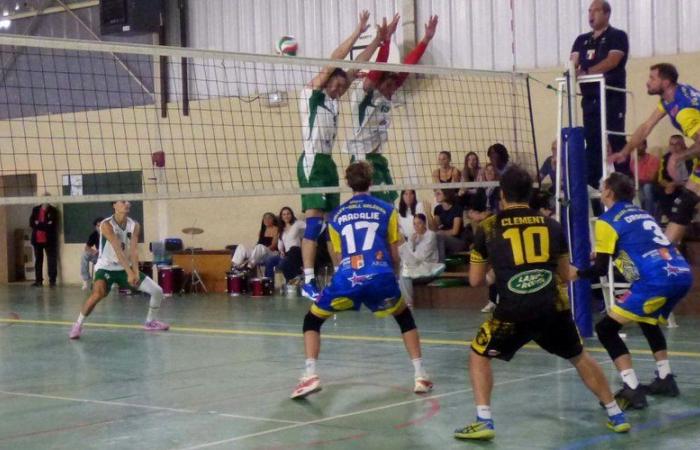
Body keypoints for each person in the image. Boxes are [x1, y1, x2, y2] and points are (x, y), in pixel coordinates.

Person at [454, 166, 630, 440]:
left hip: (512, 312)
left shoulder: (488, 227)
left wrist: (496, 272)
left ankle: (484, 420)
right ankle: (615, 414)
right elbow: (564, 274)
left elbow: (476, 281)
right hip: (552, 307)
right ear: (531, 194)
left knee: (478, 355)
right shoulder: (552, 225)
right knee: (579, 356)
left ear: (502, 195)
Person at [290, 161, 433, 399]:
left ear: (347, 183)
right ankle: (420, 376)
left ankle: (309, 375)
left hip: (348, 278)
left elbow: (338, 255)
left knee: (312, 320)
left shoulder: (335, 216)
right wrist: (393, 278)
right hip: (380, 276)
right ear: (372, 181)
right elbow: (395, 253)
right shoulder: (387, 210)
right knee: (404, 317)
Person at [571, 173, 692, 410]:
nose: (601, 190)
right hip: (680, 273)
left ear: (608, 192)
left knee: (605, 329)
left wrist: (578, 274)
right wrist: (608, 254)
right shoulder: (642, 213)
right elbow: (632, 252)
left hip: (656, 280)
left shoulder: (606, 220)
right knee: (647, 319)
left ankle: (632, 388)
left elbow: (599, 270)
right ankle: (665, 378)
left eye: (602, 187)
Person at [298, 11, 389, 302]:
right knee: (314, 224)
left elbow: (357, 64)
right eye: (335, 84)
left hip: (328, 164)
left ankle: (342, 277)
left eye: (342, 85)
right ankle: (308, 280)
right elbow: (337, 59)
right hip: (312, 161)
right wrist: (357, 31)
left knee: (331, 224)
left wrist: (377, 40)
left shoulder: (335, 98)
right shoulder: (313, 94)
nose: (339, 88)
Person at [345, 15, 439, 204]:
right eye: (389, 85)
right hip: (361, 158)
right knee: (373, 204)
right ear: (379, 82)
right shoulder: (364, 93)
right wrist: (385, 41)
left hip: (377, 157)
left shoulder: (386, 92)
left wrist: (426, 40)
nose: (393, 89)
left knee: (389, 204)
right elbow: (376, 70)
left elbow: (407, 68)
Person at [610, 63, 700, 244]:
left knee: (685, 204)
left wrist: (678, 156)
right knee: (685, 204)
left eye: (652, 78)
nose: (647, 82)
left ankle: (666, 253)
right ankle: (666, 254)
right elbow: (646, 127)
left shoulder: (683, 111)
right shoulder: (671, 98)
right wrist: (625, 152)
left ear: (665, 83)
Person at [69, 200, 169, 339]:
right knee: (98, 294)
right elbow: (117, 249)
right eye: (122, 202)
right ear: (114, 206)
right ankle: (78, 325)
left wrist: (135, 272)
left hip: (124, 267)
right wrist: (130, 273)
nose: (126, 204)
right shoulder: (106, 224)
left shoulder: (134, 225)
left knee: (157, 291)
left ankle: (150, 322)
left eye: (128, 201)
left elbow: (133, 251)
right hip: (106, 268)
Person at [570, 0, 629, 187]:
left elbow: (612, 61)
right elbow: (573, 63)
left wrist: (587, 72)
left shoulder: (617, 36)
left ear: (606, 14)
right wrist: (573, 71)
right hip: (590, 100)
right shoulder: (582, 39)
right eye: (589, 11)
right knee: (593, 144)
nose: (591, 15)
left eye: (595, 10)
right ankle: (594, 190)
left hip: (611, 99)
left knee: (615, 140)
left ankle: (624, 185)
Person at [398, 213, 444, 308]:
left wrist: (409, 245)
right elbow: (406, 252)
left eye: (419, 223)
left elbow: (420, 257)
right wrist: (410, 243)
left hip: (428, 265)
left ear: (424, 223)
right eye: (414, 224)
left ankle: (408, 304)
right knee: (397, 270)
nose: (416, 226)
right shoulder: (413, 236)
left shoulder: (430, 235)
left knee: (404, 273)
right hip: (416, 265)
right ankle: (398, 302)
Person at [232, 212, 280, 279]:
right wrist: (254, 249)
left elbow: (273, 246)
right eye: (265, 218)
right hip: (259, 253)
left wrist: (261, 249)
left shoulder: (277, 229)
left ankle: (249, 266)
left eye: (269, 218)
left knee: (260, 247)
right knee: (241, 246)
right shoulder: (262, 231)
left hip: (272, 253)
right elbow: (258, 244)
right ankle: (235, 267)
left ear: (273, 220)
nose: (267, 220)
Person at [656, 135, 692, 221]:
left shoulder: (691, 156)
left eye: (677, 144)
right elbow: (661, 178)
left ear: (683, 145)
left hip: (690, 185)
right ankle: (671, 219)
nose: (674, 147)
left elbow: (693, 178)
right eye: (671, 144)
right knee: (662, 191)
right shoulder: (665, 158)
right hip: (673, 186)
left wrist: (674, 184)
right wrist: (668, 185)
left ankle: (680, 221)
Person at [29, 195, 59, 287]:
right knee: (38, 260)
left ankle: (52, 281)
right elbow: (31, 223)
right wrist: (44, 225)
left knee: (52, 260)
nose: (46, 201)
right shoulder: (35, 209)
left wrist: (39, 224)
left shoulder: (53, 211)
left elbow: (51, 226)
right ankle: (38, 281)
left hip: (49, 240)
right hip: (37, 240)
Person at [433, 188, 466, 260]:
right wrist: (428, 214)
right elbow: (435, 228)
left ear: (446, 194)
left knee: (439, 237)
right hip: (444, 239)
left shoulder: (456, 208)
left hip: (458, 241)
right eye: (435, 194)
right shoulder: (437, 209)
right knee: (432, 237)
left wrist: (441, 232)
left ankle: (441, 264)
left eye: (438, 194)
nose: (436, 196)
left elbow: (455, 231)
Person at [275, 207, 306, 285]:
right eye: (284, 214)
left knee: (292, 250)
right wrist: (281, 251)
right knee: (271, 260)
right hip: (287, 254)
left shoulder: (298, 223)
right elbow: (280, 245)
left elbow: (309, 229)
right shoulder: (281, 229)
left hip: (297, 252)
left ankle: (296, 278)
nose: (286, 216)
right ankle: (294, 280)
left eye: (288, 214)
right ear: (281, 217)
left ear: (292, 215)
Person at [629, 139, 660, 216]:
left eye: (640, 145)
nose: (638, 148)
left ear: (645, 146)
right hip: (638, 185)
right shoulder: (633, 161)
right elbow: (632, 176)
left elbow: (651, 178)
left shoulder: (653, 159)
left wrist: (638, 181)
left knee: (647, 188)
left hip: (652, 185)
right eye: (636, 146)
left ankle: (649, 215)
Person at [80, 217, 103, 290]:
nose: (100, 228)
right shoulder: (94, 235)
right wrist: (94, 251)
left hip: (109, 258)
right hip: (98, 257)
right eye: (98, 226)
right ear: (95, 227)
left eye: (101, 225)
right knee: (84, 255)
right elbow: (87, 247)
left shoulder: (110, 233)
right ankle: (86, 280)